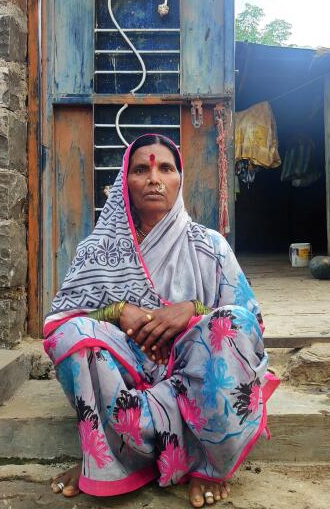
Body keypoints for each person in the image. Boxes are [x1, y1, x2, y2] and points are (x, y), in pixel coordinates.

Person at [43, 134, 279, 507]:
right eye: (141, 169)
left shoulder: (210, 245)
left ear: (178, 180)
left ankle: (209, 464)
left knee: (231, 324)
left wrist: (192, 310)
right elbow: (61, 318)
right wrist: (118, 312)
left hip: (194, 372)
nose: (154, 178)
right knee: (70, 333)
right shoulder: (97, 249)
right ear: (125, 181)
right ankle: (107, 458)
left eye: (165, 168)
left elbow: (252, 321)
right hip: (125, 370)